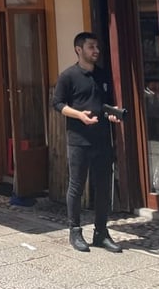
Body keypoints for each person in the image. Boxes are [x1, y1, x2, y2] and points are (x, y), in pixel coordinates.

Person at [52, 31, 123, 253]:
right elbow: (57, 104)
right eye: (91, 47)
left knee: (103, 187)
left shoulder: (102, 76)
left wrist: (112, 114)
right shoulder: (68, 76)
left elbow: (106, 103)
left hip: (102, 139)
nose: (96, 51)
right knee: (77, 186)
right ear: (78, 49)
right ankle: (75, 231)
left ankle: (101, 232)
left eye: (97, 47)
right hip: (79, 140)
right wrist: (79, 115)